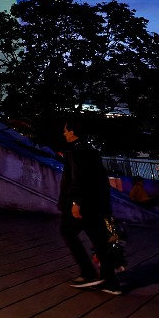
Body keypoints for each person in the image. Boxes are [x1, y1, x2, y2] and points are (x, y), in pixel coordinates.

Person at [58, 117, 122, 296]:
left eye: (65, 130)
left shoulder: (74, 150)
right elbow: (100, 179)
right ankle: (111, 282)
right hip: (97, 205)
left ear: (72, 132)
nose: (64, 133)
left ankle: (88, 273)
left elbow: (78, 178)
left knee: (67, 232)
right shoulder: (91, 150)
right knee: (100, 241)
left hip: (81, 205)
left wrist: (75, 203)